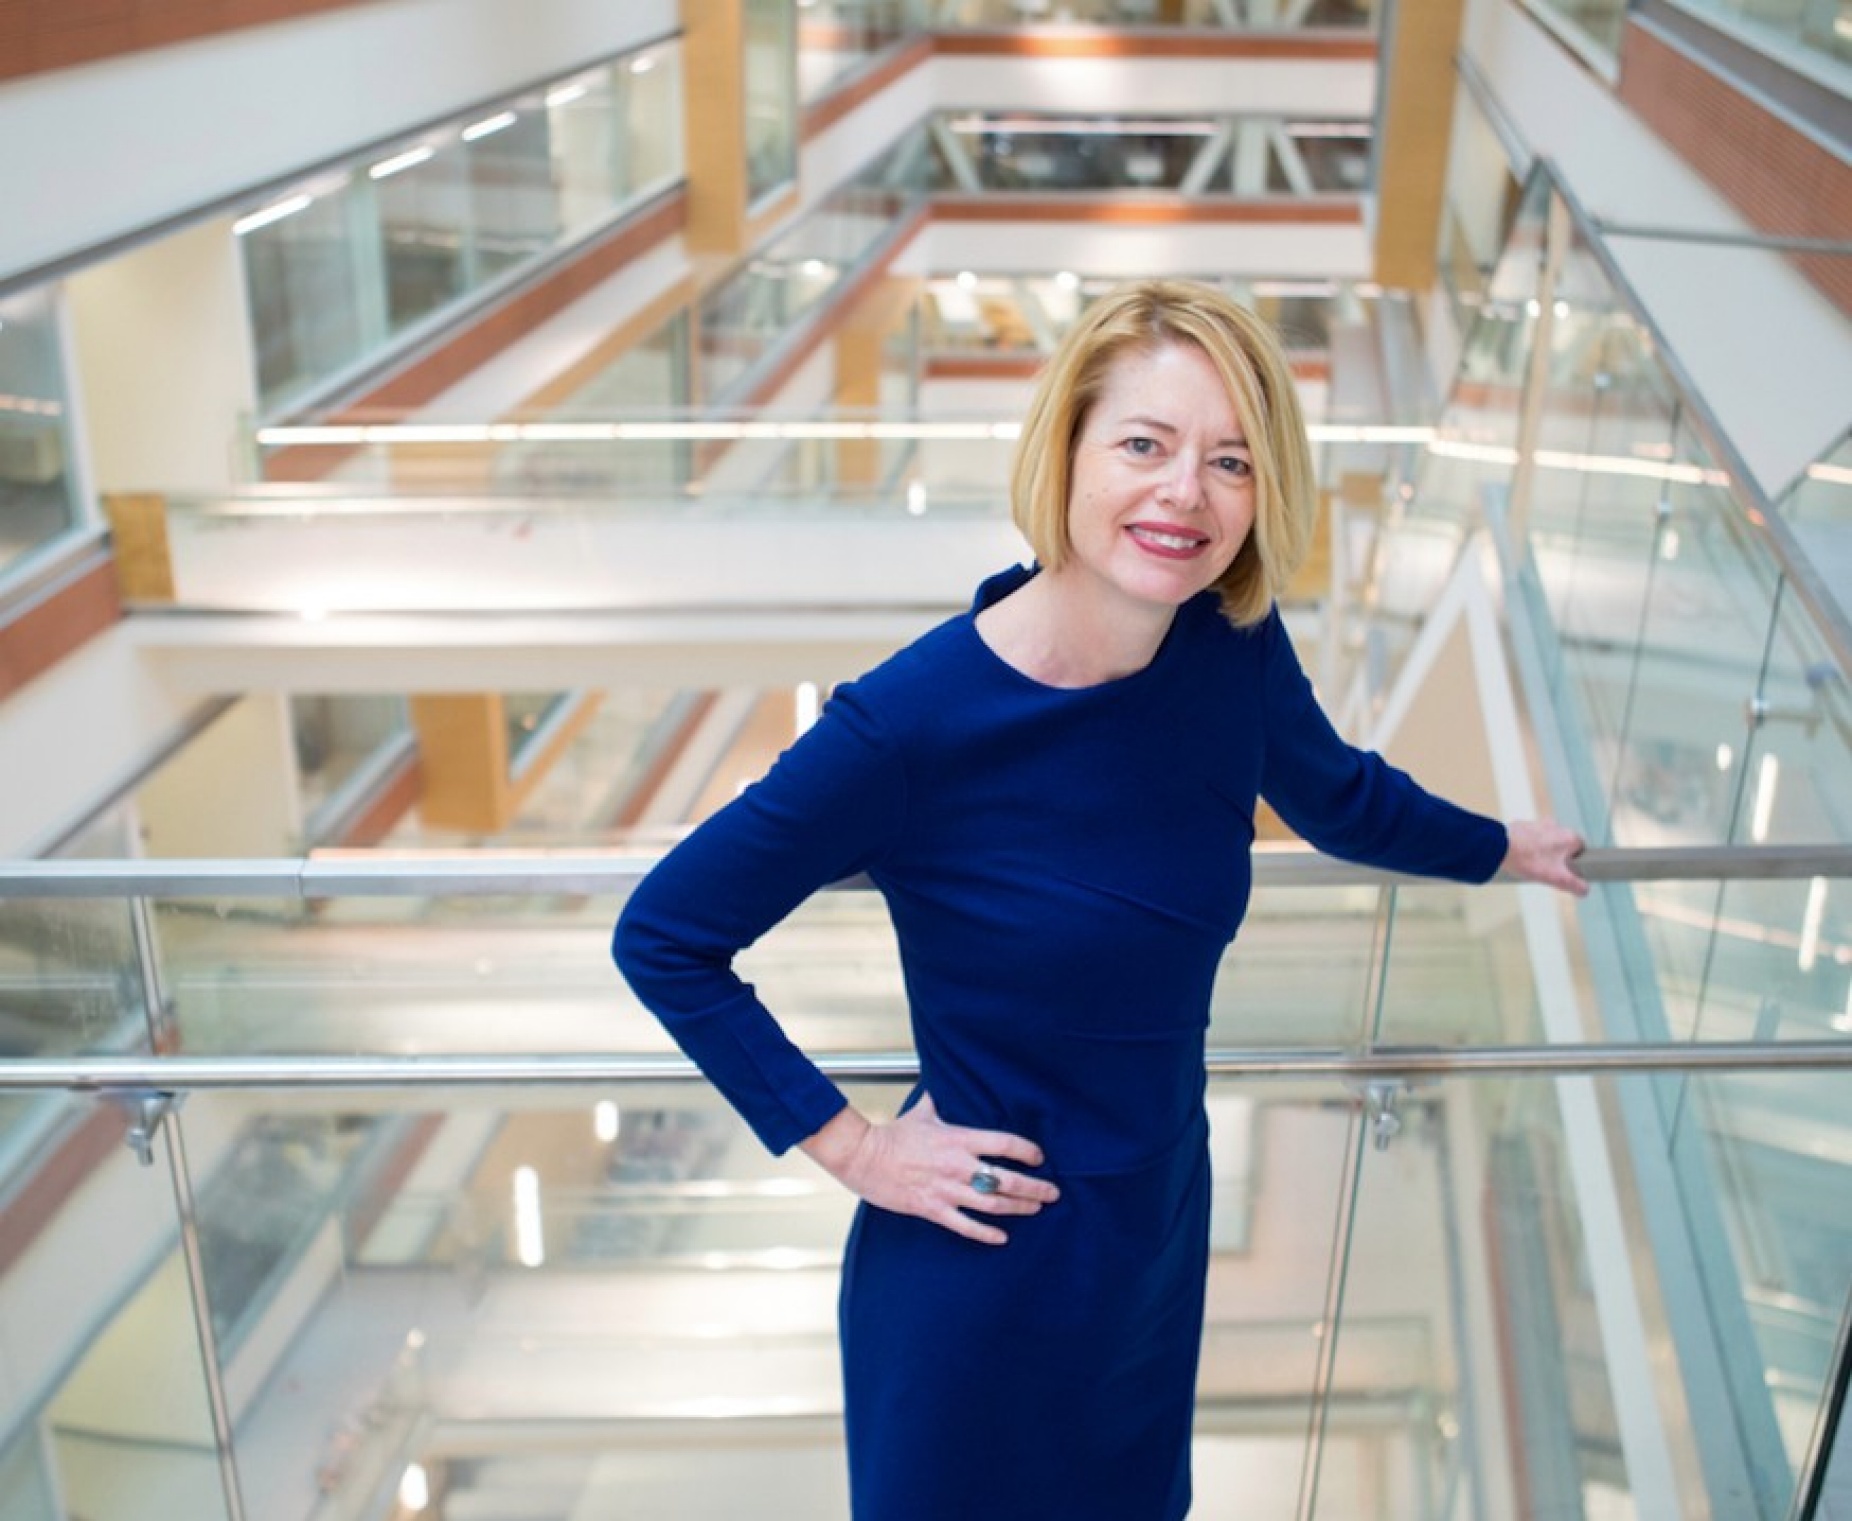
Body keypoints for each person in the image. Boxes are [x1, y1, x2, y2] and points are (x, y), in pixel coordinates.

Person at [612, 278, 1586, 1520]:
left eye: (1229, 460)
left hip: (1152, 1227)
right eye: (1144, 444)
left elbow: (1340, 797)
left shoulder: (1227, 644)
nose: (1185, 493)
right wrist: (854, 1146)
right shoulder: (908, 724)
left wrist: (1500, 847)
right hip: (981, 1256)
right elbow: (667, 935)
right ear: (1064, 450)